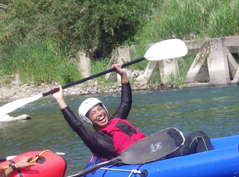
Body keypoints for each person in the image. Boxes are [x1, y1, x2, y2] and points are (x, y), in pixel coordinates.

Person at [52, 63, 213, 164]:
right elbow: (76, 126)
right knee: (188, 147)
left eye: (100, 108)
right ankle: (212, 167)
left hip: (159, 152)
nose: (99, 113)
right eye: (93, 113)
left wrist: (123, 76)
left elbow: (126, 102)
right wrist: (60, 100)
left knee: (198, 135)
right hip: (149, 163)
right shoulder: (96, 140)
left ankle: (213, 163)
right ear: (89, 120)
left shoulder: (116, 120)